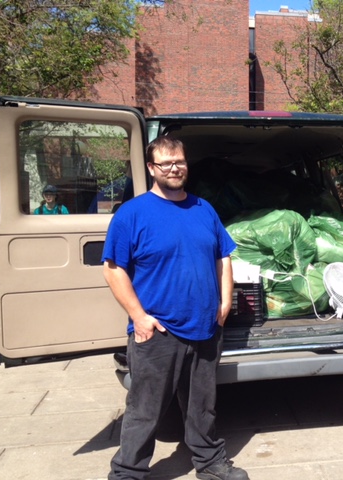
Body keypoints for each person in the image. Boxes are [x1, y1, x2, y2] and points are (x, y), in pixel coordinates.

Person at [102, 136, 249, 480]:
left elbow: (223, 256)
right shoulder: (132, 214)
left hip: (205, 327)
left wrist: (225, 301)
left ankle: (210, 463)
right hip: (158, 331)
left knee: (203, 406)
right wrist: (140, 318)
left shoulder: (203, 209)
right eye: (166, 163)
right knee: (145, 409)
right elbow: (113, 269)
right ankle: (127, 472)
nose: (174, 168)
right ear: (152, 168)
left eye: (179, 161)